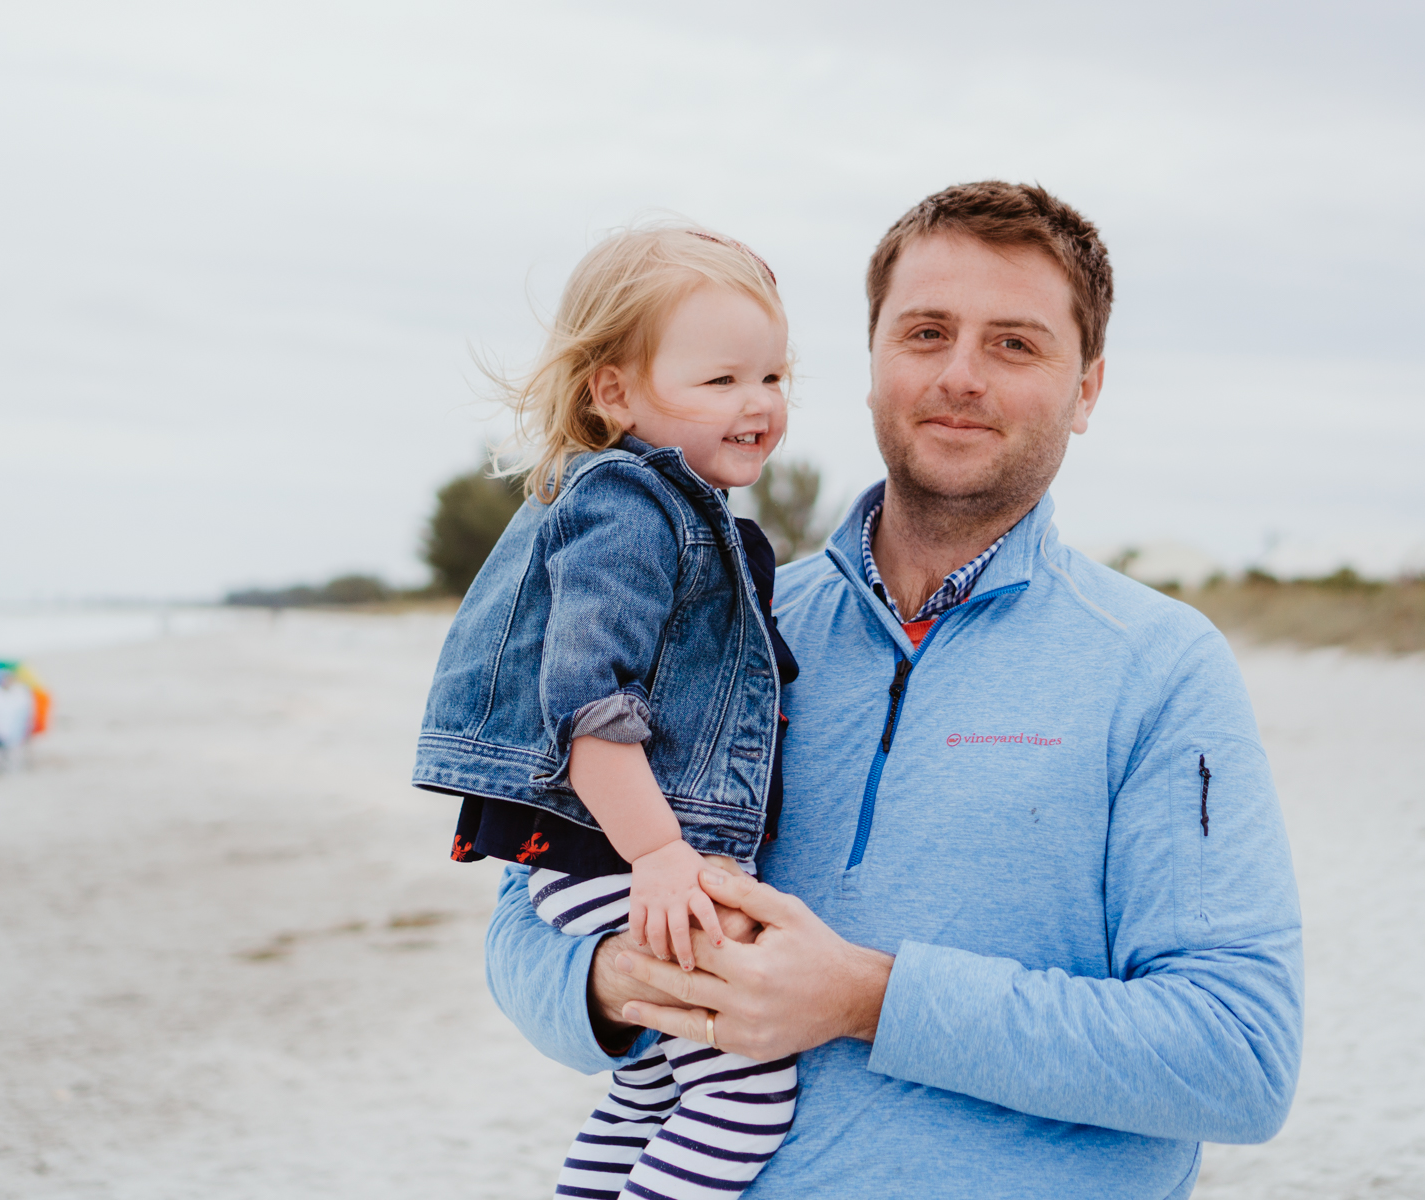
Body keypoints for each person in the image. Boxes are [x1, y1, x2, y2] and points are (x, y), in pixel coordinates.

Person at [483, 182, 1304, 1198]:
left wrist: (870, 999)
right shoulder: (728, 623)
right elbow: (522, 919)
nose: (961, 376)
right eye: (926, 332)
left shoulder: (1160, 667)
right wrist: (613, 987)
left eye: (1015, 343)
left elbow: (1240, 1058)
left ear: (1087, 388)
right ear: (873, 359)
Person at [412, 225, 803, 1200]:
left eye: (773, 376)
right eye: (720, 381)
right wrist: (664, 857)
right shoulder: (629, 507)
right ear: (616, 391)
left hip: (604, 848)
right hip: (617, 848)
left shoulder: (671, 504)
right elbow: (590, 709)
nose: (757, 404)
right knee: (745, 1098)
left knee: (654, 1091)